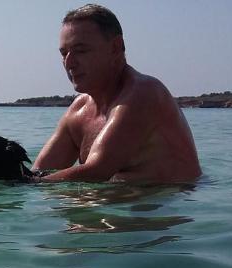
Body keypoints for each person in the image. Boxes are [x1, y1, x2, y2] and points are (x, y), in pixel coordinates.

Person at [33, 4, 201, 183]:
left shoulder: (143, 94)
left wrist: (29, 183)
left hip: (166, 198)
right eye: (64, 53)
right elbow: (38, 173)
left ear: (115, 47)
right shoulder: (78, 111)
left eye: (81, 51)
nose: (69, 63)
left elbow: (97, 172)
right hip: (117, 199)